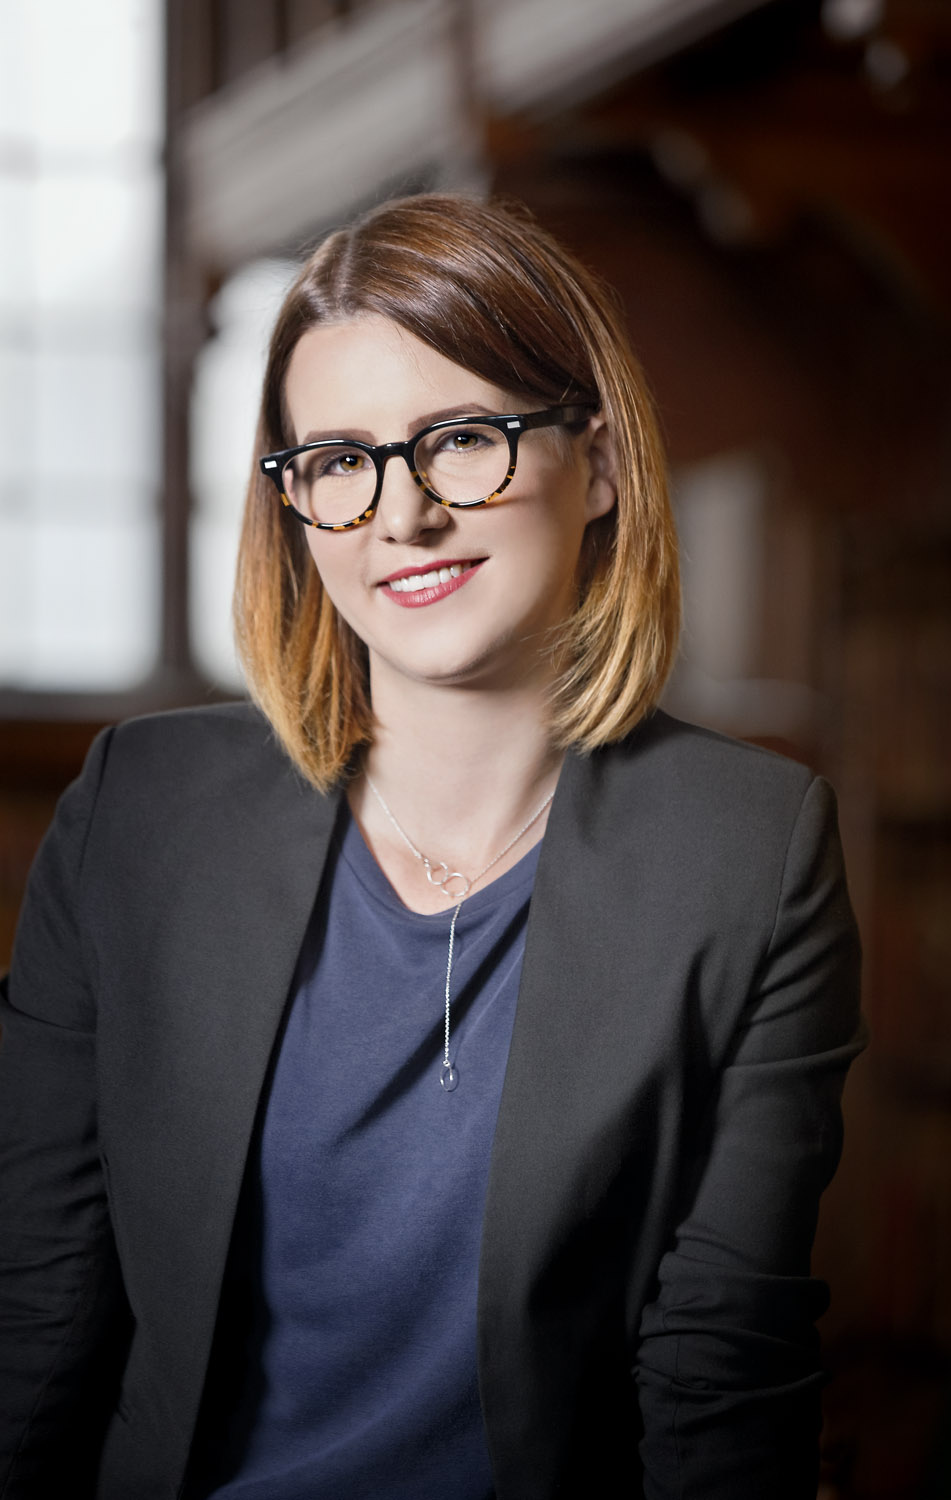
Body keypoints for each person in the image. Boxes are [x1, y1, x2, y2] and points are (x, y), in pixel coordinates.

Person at [0, 192, 863, 1500]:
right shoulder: (141, 810)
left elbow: (721, 1364)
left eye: (462, 439)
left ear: (605, 462)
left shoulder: (751, 850)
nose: (400, 518)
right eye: (338, 461)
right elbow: (36, 1297)